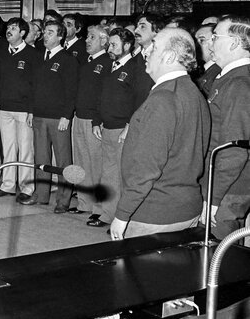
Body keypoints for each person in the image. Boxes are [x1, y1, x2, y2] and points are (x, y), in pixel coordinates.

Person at [109, 28, 210, 239]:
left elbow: (146, 168)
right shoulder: (194, 93)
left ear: (170, 56)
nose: (146, 52)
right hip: (185, 207)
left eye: (154, 47)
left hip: (153, 214)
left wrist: (122, 214)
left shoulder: (162, 100)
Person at [88, 27, 150, 228]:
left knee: (122, 175)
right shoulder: (110, 66)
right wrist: (96, 121)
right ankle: (107, 214)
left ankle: (121, 218)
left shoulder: (134, 68)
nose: (110, 48)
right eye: (109, 44)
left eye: (114, 45)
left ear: (127, 45)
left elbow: (140, 101)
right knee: (108, 173)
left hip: (122, 130)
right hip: (106, 127)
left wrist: (128, 126)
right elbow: (99, 96)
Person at [201, 16, 250, 238]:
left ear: (234, 43)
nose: (210, 43)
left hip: (229, 188)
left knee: (219, 257)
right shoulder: (229, 78)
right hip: (222, 183)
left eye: (215, 37)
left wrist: (214, 198)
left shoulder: (239, 84)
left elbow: (233, 150)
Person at [23, 21, 78, 211]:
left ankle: (63, 201)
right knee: (41, 159)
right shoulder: (39, 58)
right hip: (39, 116)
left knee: (63, 160)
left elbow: (72, 91)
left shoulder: (68, 60)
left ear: (60, 37)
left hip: (58, 118)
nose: (45, 36)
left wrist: (66, 115)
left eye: (51, 32)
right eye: (45, 32)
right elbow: (32, 88)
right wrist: (31, 110)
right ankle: (41, 195)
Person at [0, 18, 40, 201]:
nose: (9, 31)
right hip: (5, 108)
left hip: (24, 110)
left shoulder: (33, 55)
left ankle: (26, 188)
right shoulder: (1, 53)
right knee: (8, 148)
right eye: (8, 28)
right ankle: (7, 185)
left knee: (25, 150)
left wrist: (32, 110)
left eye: (13, 28)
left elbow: (36, 85)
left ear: (22, 33)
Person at [71, 25, 112, 215]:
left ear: (104, 41)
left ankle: (99, 207)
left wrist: (98, 120)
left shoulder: (107, 63)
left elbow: (104, 96)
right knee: (80, 164)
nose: (87, 40)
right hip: (79, 117)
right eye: (87, 36)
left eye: (92, 37)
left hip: (93, 122)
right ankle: (83, 203)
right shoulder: (86, 62)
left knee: (96, 165)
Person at [194, 23, 220, 98]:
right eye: (195, 40)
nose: (195, 45)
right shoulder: (201, 69)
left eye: (202, 40)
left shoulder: (217, 72)